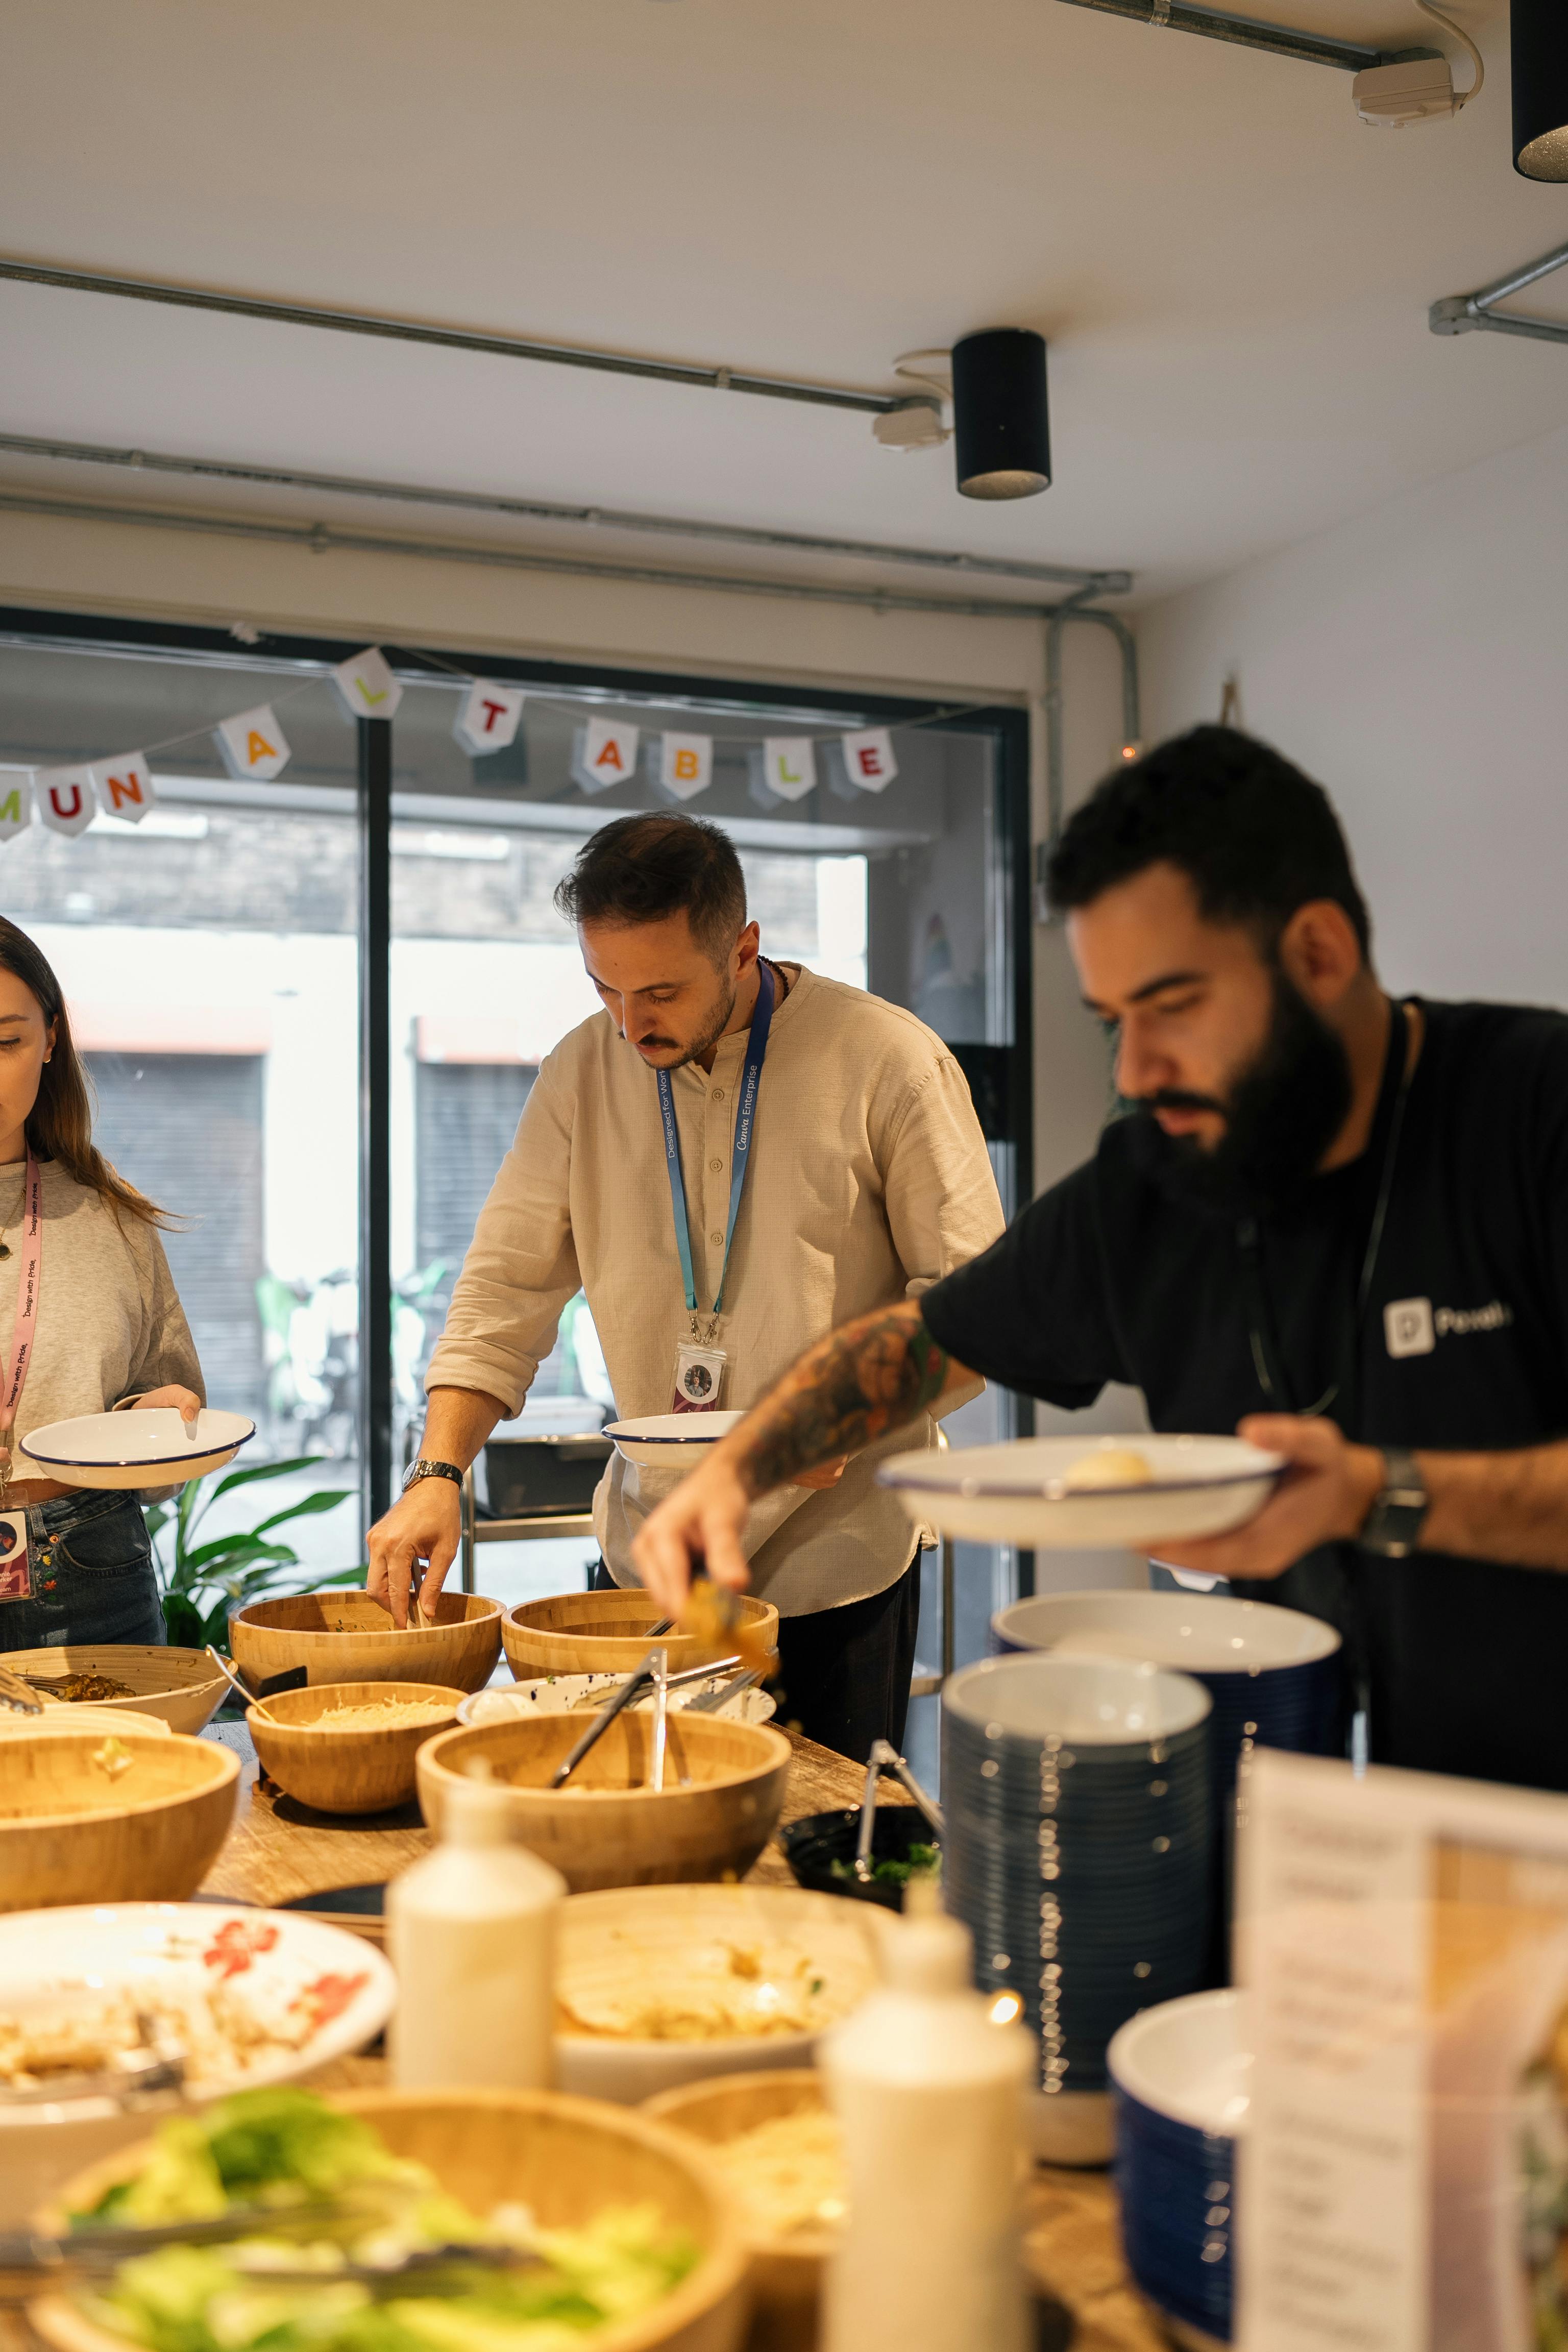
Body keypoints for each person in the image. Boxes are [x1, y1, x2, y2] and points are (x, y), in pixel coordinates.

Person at [633, 726, 1568, 1795]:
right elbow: (932, 1345)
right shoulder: (1156, 1178)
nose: (1135, 1068)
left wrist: (1378, 1492)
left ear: (1319, 953)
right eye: (1112, 1020)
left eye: (1172, 1008)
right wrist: (739, 1466)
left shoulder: (1531, 1113)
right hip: (1320, 1826)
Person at [366, 811, 1004, 1759]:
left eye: (660, 991)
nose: (630, 1024)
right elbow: (503, 1291)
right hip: (646, 1562)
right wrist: (438, 1472)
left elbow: (973, 1308)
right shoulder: (583, 1070)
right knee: (637, 1839)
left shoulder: (888, 1061)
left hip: (834, 1566)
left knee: (817, 1867)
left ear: (744, 947)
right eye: (605, 988)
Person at [0, 918, 204, 1652]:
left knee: (121, 1766)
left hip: (91, 1568)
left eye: (6, 1042)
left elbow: (170, 1428)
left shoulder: (112, 1218)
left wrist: (161, 1418)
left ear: (50, 1041)